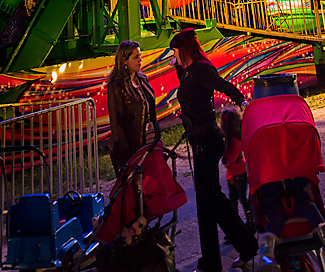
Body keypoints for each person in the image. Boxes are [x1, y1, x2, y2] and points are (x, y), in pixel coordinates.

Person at [171, 27, 258, 272]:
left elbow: (222, 85)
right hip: (200, 140)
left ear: (184, 49)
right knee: (212, 200)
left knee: (206, 202)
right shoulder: (188, 72)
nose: (173, 55)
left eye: (175, 50)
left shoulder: (201, 69)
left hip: (207, 141)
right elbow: (190, 95)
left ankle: (215, 261)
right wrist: (179, 70)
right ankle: (245, 248)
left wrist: (241, 100)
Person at [107, 40, 159, 173]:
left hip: (149, 140)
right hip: (130, 146)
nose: (140, 60)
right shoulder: (117, 86)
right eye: (135, 57)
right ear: (125, 61)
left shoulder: (142, 79)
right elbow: (117, 122)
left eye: (140, 56)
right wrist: (125, 156)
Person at [220, 106, 253, 232]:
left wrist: (224, 156)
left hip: (238, 173)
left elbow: (232, 156)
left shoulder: (234, 139)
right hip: (233, 173)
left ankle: (250, 224)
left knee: (241, 198)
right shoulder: (233, 137)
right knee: (233, 199)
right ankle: (238, 226)